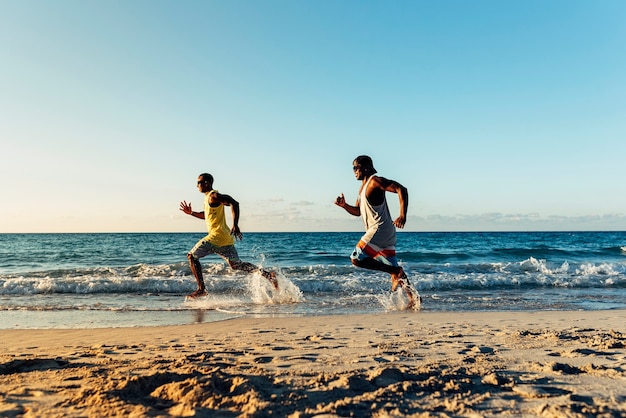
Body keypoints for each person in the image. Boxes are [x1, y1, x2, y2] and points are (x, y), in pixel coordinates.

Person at [334, 155, 416, 307]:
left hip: (379, 229)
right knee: (396, 270)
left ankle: (394, 271)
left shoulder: (374, 181)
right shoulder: (362, 189)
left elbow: (401, 189)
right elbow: (358, 211)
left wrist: (402, 215)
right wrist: (345, 206)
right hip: (386, 232)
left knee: (356, 259)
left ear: (365, 167)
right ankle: (414, 299)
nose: (354, 171)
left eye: (355, 167)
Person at [180, 173, 278, 298]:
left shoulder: (213, 196)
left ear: (207, 183)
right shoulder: (208, 198)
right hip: (225, 238)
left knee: (191, 256)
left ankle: (201, 289)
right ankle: (269, 275)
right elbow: (207, 215)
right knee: (236, 265)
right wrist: (191, 213)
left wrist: (235, 224)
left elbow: (234, 203)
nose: (197, 185)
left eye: (199, 182)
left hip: (216, 237)